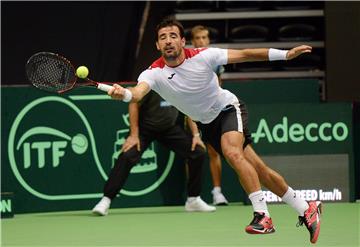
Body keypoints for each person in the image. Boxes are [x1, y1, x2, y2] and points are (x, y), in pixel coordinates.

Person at [107, 17, 322, 244]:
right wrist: (125, 94)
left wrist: (285, 55)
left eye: (173, 36)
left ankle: (263, 216)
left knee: (232, 153)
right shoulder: (153, 73)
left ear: (182, 41)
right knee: (259, 170)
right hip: (207, 124)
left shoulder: (204, 56)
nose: (168, 41)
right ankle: (305, 207)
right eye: (163, 37)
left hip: (228, 109)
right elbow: (138, 93)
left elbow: (247, 54)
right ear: (157, 46)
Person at [92, 90, 216, 216]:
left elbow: (189, 108)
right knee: (127, 156)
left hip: (169, 129)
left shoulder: (180, 84)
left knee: (197, 152)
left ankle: (193, 199)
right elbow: (133, 103)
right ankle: (106, 200)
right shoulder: (151, 81)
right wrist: (134, 135)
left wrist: (195, 135)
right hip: (145, 129)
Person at [190, 25, 228, 206]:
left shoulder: (215, 60)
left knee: (213, 151)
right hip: (191, 109)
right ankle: (193, 195)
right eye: (198, 38)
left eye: (204, 37)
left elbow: (219, 86)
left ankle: (217, 192)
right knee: (193, 151)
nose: (201, 41)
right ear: (192, 41)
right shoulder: (187, 59)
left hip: (212, 109)